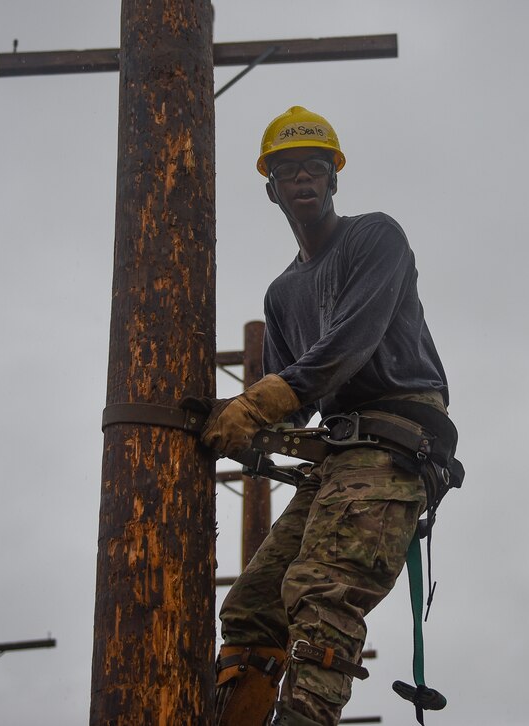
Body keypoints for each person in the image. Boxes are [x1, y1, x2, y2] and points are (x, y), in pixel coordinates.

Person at [203, 106, 452, 726]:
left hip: (396, 438)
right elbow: (301, 396)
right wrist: (226, 421)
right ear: (272, 190)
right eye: (290, 172)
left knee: (322, 594)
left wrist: (255, 405)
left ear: (334, 179)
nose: (305, 180)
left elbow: (347, 346)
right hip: (340, 454)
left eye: (316, 168)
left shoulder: (375, 238)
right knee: (253, 607)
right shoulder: (283, 293)